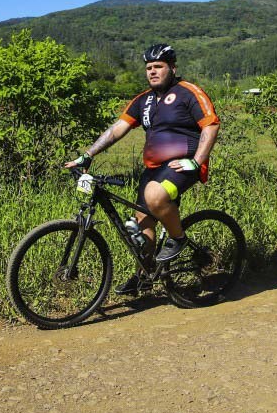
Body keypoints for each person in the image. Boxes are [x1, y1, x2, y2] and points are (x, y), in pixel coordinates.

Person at [66, 44, 220, 291]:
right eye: (149, 68)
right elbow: (117, 129)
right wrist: (87, 155)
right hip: (152, 169)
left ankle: (178, 238)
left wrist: (197, 161)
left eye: (158, 66)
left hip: (183, 166)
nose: (153, 72)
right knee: (144, 224)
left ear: (172, 68)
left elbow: (210, 125)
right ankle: (144, 277)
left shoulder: (188, 92)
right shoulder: (143, 100)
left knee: (155, 195)